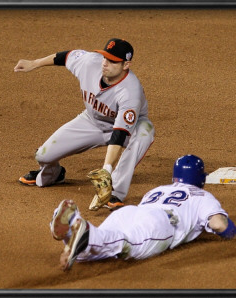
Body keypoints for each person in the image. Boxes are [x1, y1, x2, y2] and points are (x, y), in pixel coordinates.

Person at [49, 155, 236, 271]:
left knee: (102, 248)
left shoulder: (158, 189)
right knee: (126, 244)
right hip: (160, 222)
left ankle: (73, 235)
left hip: (129, 213)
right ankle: (82, 229)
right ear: (201, 179)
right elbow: (218, 224)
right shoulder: (201, 196)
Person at [14, 38, 155, 210]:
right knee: (43, 156)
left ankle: (115, 191)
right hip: (92, 121)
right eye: (105, 57)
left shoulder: (130, 91)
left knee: (144, 133)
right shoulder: (90, 63)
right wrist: (34, 63)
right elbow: (66, 57)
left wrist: (107, 170)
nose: (105, 63)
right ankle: (54, 174)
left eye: (112, 61)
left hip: (129, 129)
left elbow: (119, 134)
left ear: (126, 65)